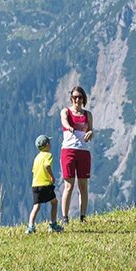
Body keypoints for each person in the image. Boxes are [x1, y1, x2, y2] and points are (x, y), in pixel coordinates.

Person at [60, 86, 93, 224]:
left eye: (79, 97)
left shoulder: (88, 115)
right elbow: (64, 121)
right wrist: (69, 127)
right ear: (71, 98)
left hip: (83, 151)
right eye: (74, 97)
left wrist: (90, 133)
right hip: (68, 150)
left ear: (83, 98)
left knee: (83, 186)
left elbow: (91, 131)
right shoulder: (66, 112)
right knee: (69, 185)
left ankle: (83, 216)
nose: (77, 100)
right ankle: (65, 217)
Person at [27, 135, 63, 234]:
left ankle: (31, 226)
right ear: (47, 145)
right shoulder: (48, 155)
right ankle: (53, 224)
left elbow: (34, 171)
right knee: (54, 202)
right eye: (49, 143)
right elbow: (47, 165)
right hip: (45, 184)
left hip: (35, 185)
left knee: (36, 206)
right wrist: (52, 176)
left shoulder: (37, 157)